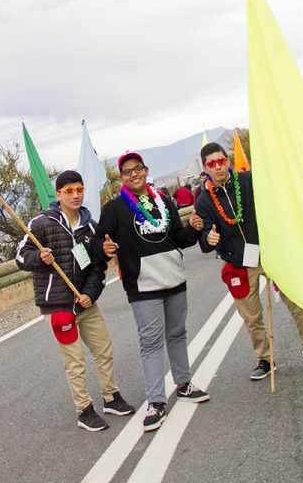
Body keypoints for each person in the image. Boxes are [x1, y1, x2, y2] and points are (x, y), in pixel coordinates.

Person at [92, 152, 209, 432]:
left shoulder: (164, 201)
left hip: (173, 277)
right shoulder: (114, 209)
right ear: (121, 178)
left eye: (138, 169)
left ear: (146, 171)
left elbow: (177, 238)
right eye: (128, 171)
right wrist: (103, 249)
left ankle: (184, 383)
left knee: (178, 333)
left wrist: (193, 230)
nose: (134, 174)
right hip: (143, 286)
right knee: (151, 342)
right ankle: (156, 401)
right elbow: (99, 240)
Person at [194, 142, 303, 382]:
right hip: (238, 263)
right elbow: (204, 237)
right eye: (212, 164)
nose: (218, 167)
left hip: (271, 253)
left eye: (221, 161)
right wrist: (208, 237)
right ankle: (265, 359)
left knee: (297, 302)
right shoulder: (203, 201)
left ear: (228, 160)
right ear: (205, 168)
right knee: (251, 317)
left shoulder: (249, 180)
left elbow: (276, 199)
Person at [15, 170, 134, 432]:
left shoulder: (91, 226)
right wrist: (39, 259)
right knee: (75, 360)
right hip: (58, 306)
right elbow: (21, 257)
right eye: (69, 191)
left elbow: (98, 265)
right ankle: (84, 410)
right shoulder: (41, 223)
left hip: (85, 302)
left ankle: (111, 397)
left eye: (79, 189)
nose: (75, 195)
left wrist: (90, 294)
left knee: (104, 349)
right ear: (58, 194)